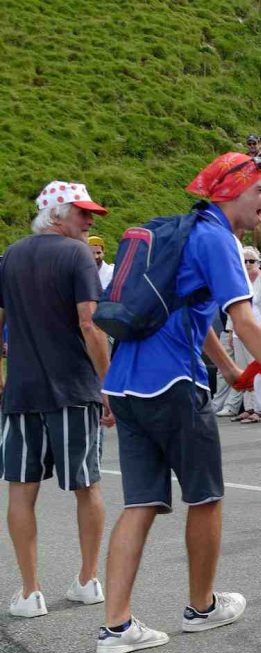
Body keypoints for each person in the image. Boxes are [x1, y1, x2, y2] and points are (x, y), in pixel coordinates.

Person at [97, 152, 261, 653]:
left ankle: (115, 627)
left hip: (125, 383)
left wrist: (228, 369)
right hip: (173, 385)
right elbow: (245, 321)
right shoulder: (219, 239)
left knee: (139, 503)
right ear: (231, 192)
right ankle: (202, 607)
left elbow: (193, 310)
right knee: (205, 496)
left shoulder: (187, 233)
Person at [2, 181, 113, 618]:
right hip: (72, 388)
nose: (89, 222)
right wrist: (109, 386)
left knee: (21, 488)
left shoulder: (10, 256)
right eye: (82, 214)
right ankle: (87, 580)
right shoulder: (76, 255)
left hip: (21, 392)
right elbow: (90, 324)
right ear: (56, 215)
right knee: (86, 485)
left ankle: (30, 592)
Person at [227, 246, 261, 424]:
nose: (248, 264)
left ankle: (260, 410)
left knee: (258, 372)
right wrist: (230, 330)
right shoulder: (237, 280)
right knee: (244, 371)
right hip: (239, 333)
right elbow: (232, 308)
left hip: (260, 333)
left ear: (258, 263)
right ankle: (248, 407)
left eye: (252, 260)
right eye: (244, 261)